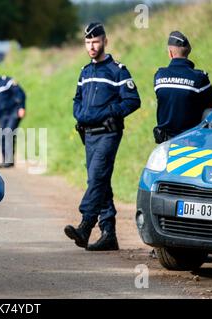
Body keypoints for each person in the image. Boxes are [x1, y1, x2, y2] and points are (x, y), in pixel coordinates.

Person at [64, 23, 141, 251]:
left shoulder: (118, 70)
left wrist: (111, 113)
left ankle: (85, 226)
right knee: (101, 181)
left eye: (95, 41)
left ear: (105, 41)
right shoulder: (85, 72)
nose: (91, 46)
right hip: (88, 135)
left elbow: (132, 100)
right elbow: (77, 99)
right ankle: (109, 233)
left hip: (108, 133)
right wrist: (79, 114)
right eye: (88, 42)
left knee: (96, 178)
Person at [153, 31, 212, 143]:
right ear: (188, 52)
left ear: (170, 53)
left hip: (166, 144)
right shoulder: (199, 78)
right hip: (192, 142)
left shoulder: (159, 76)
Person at [0, 67, 26, 168]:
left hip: (13, 112)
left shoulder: (6, 81)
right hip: (2, 117)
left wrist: (21, 107)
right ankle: (5, 160)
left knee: (9, 134)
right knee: (1, 137)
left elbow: (20, 93)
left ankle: (9, 161)